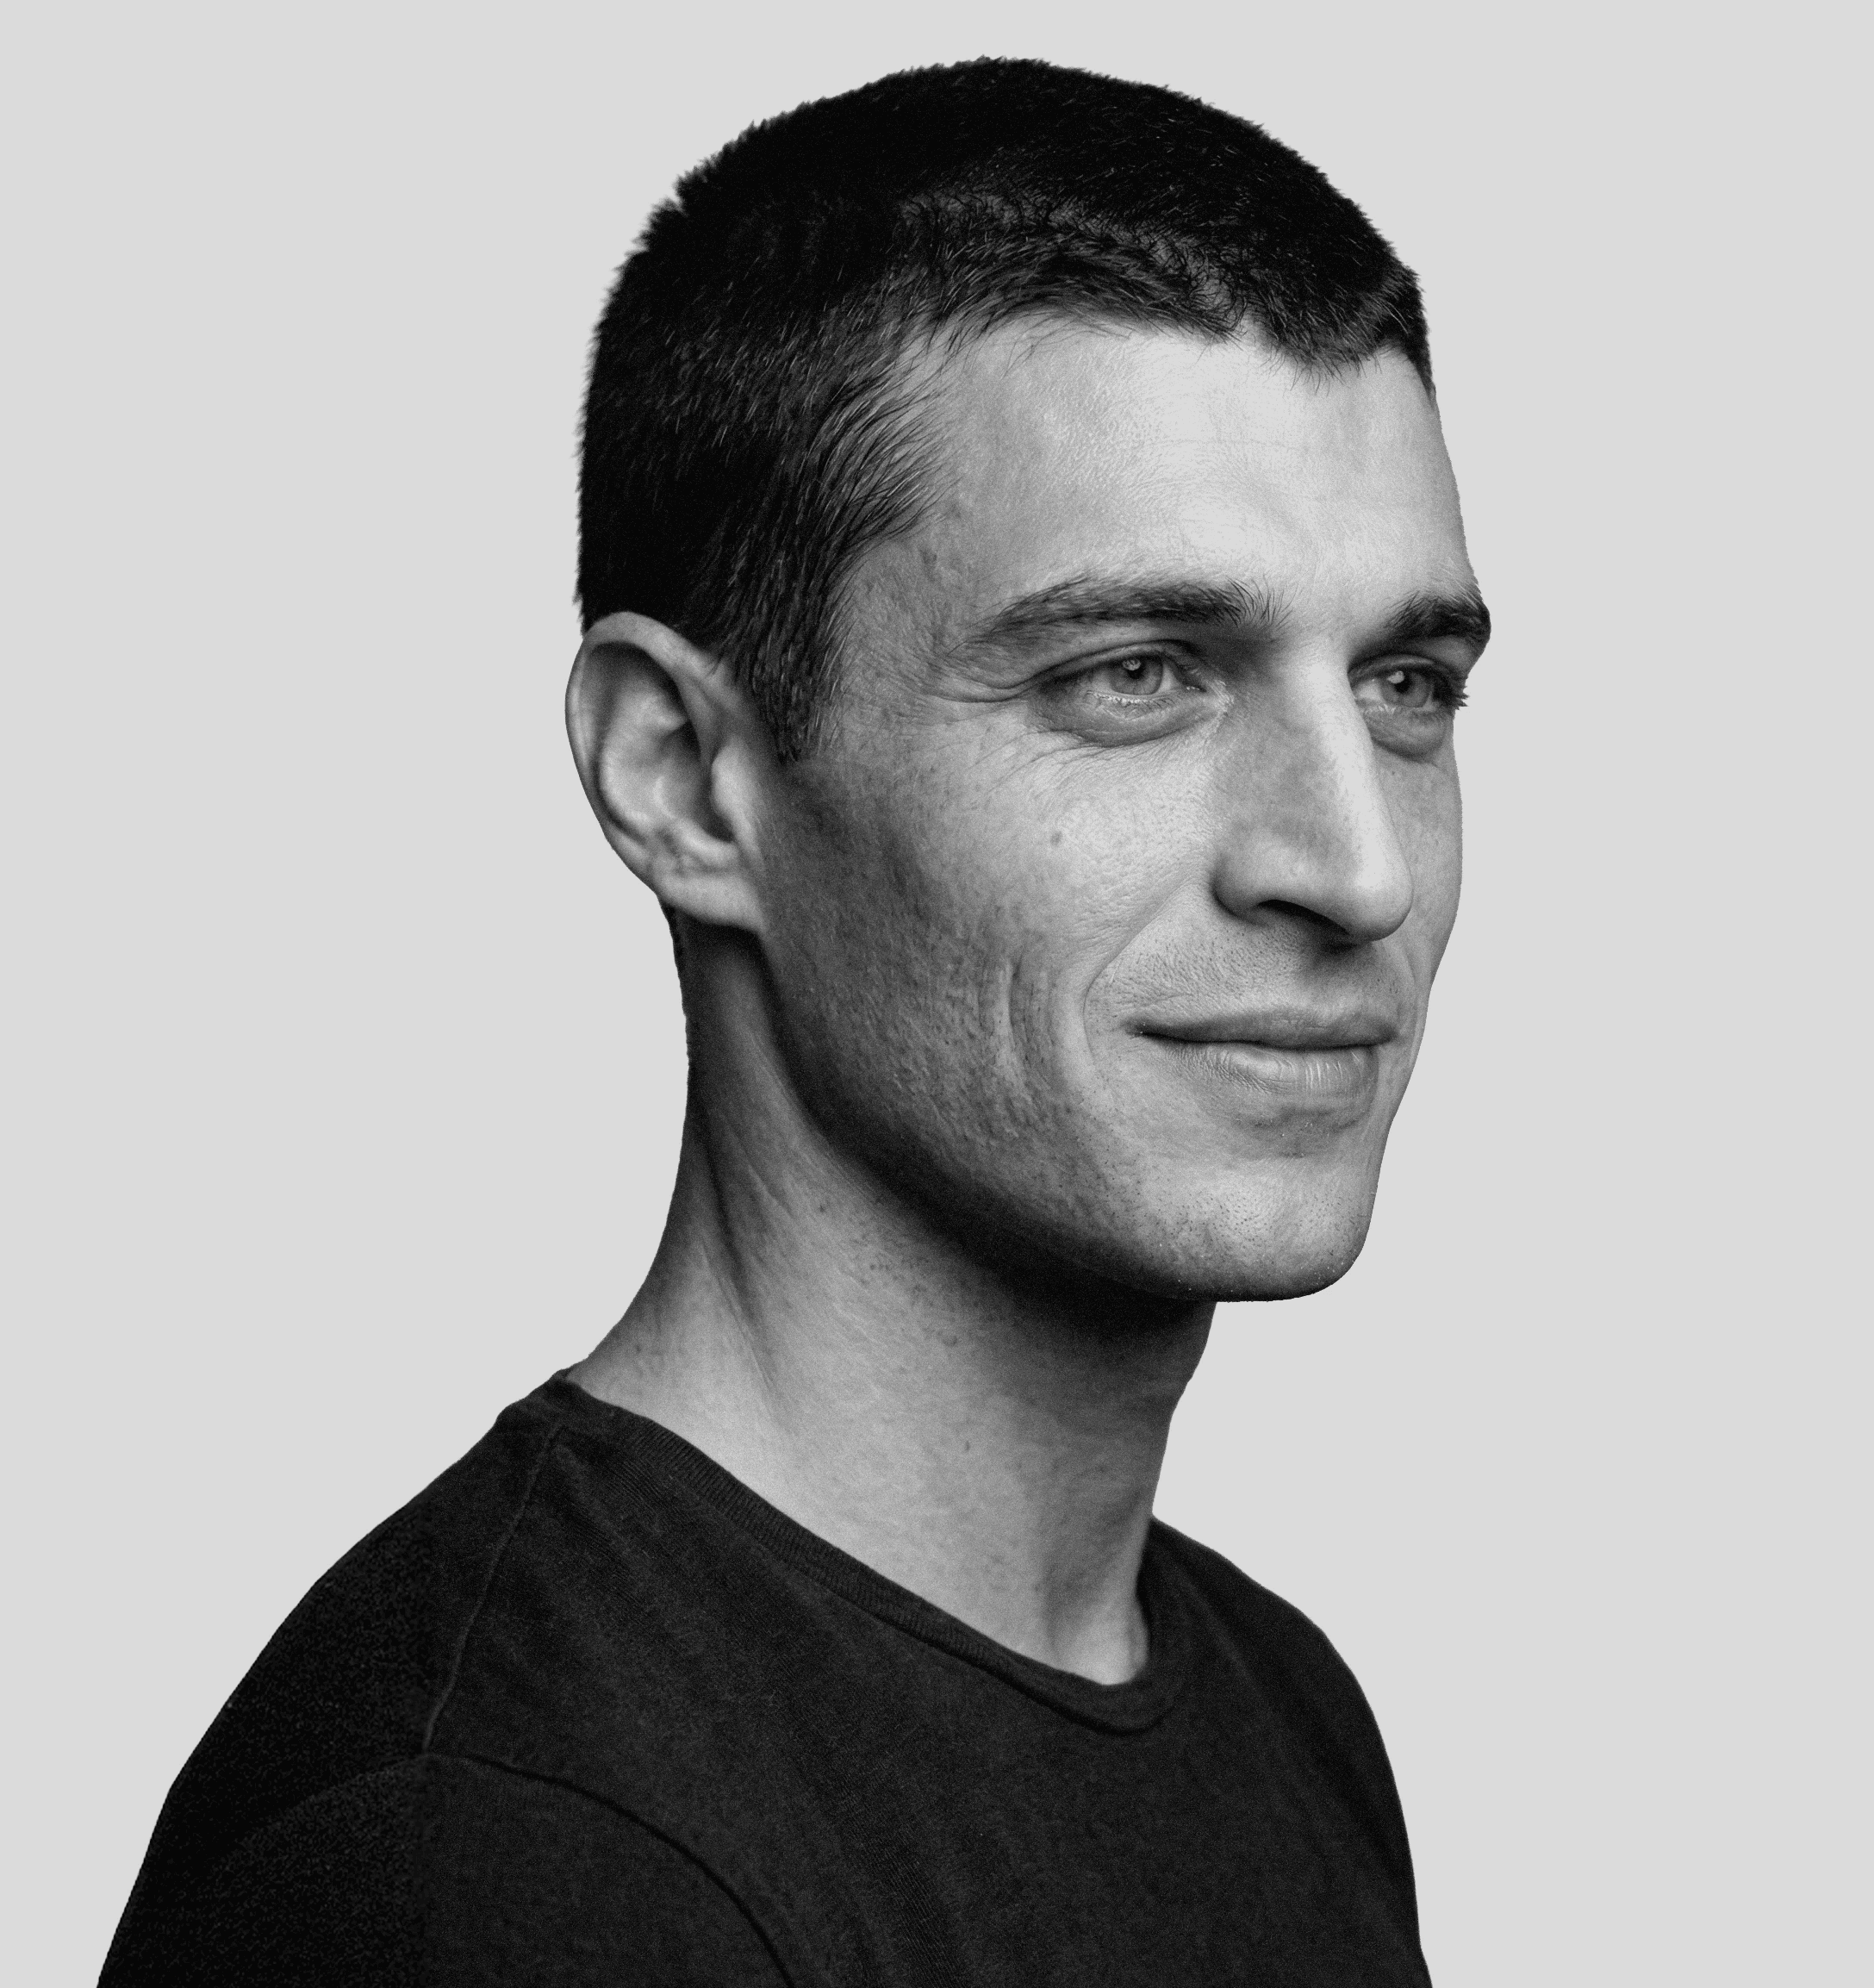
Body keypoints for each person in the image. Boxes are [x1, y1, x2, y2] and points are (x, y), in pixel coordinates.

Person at [103, 57, 1488, 1985]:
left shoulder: (1280, 1709)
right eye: (1135, 674)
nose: (1356, 867)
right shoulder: (491, 1865)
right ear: (682, 777)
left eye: (1406, 684)